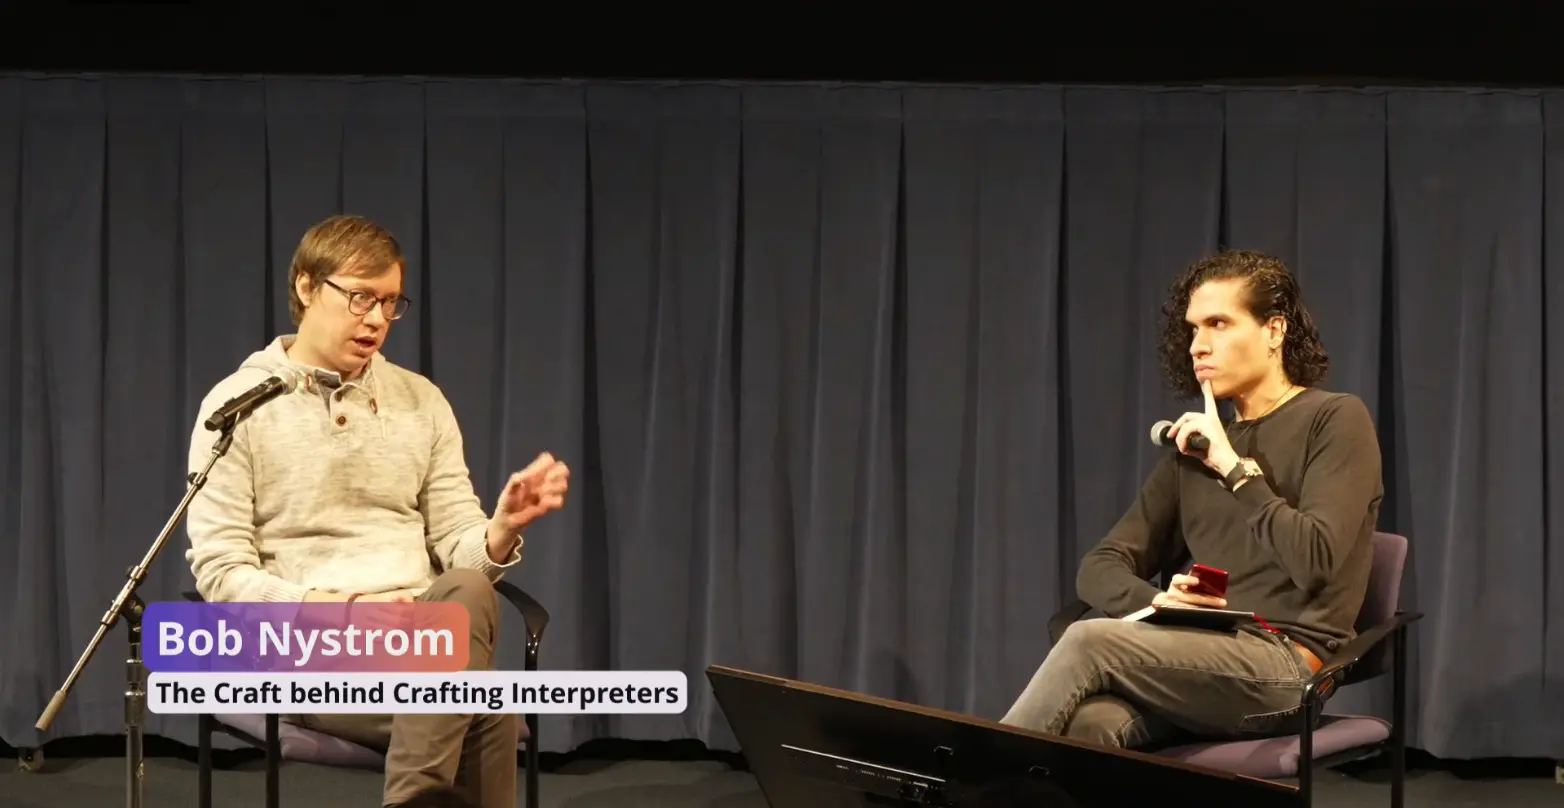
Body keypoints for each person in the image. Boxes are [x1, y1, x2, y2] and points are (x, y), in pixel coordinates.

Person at [183, 214, 570, 808]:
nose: (376, 320)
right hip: (308, 649)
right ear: (307, 287)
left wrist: (499, 531)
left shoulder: (421, 401)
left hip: (423, 642)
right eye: (360, 297)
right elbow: (221, 572)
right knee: (486, 709)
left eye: (390, 303)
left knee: (468, 592)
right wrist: (337, 610)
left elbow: (458, 547)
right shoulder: (238, 407)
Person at [999, 250, 1383, 750]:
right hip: (1198, 659)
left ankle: (975, 779)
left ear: (1274, 330)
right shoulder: (1194, 455)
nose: (1198, 346)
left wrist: (1235, 469)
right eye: (1193, 329)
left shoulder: (1335, 420)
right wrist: (1157, 602)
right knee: (1092, 723)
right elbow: (1100, 566)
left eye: (1218, 324)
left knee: (1090, 639)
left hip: (1288, 668)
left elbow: (1315, 561)